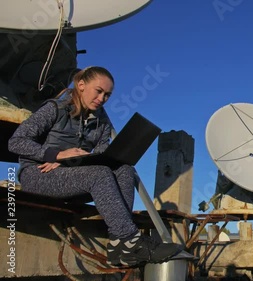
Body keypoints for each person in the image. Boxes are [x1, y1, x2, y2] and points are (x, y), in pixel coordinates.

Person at [8, 66, 181, 267]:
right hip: (38, 175)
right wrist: (57, 154)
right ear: (81, 85)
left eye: (107, 95)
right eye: (98, 91)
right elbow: (16, 141)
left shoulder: (102, 121)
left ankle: (120, 248)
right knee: (99, 174)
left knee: (125, 170)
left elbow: (101, 155)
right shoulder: (55, 108)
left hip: (76, 177)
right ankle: (131, 240)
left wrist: (104, 157)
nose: (102, 98)